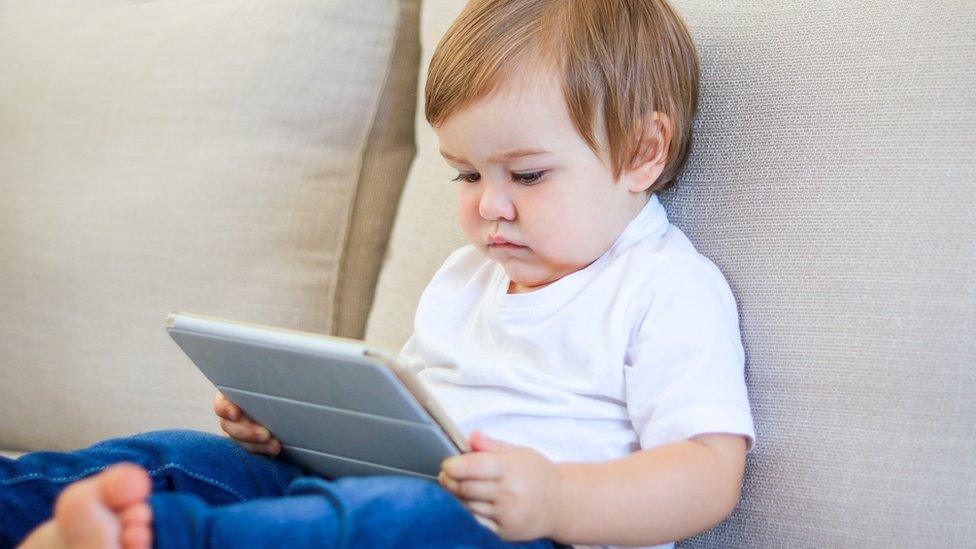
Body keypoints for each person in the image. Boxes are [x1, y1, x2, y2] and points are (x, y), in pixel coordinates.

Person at [1, 0, 756, 547]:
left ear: (642, 153)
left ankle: (151, 539)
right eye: (465, 176)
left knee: (403, 519)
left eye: (526, 174)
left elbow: (707, 473)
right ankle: (31, 508)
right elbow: (399, 433)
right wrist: (289, 430)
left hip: (513, 535)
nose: (490, 204)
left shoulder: (664, 287)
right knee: (179, 454)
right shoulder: (467, 278)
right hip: (376, 494)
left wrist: (557, 499)